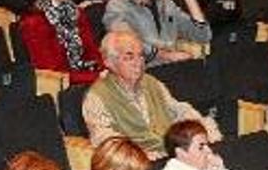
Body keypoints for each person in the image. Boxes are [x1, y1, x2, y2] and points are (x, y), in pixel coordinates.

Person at [82, 30, 220, 160]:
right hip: (139, 164)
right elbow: (105, 141)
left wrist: (202, 129)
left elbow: (178, 110)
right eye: (129, 57)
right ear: (109, 62)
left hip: (173, 153)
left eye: (141, 56)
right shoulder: (97, 96)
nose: (138, 63)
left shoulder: (152, 82)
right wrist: (140, 156)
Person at [18, 0, 103, 85]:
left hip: (87, 76)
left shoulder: (77, 13)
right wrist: (95, 77)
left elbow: (92, 53)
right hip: (62, 87)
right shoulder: (34, 22)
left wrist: (104, 71)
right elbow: (53, 72)